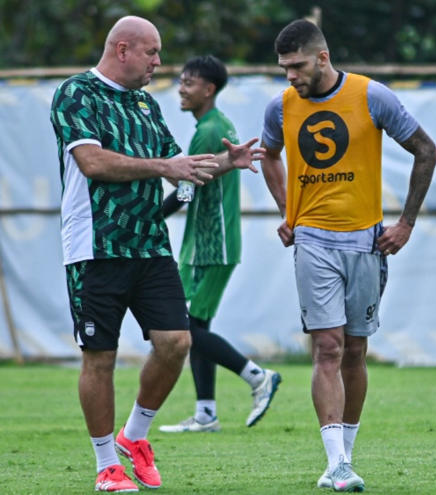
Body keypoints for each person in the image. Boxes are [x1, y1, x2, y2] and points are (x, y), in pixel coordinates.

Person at [49, 16, 264, 493]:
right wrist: (163, 166)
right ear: (122, 49)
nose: (159, 63)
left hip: (149, 245)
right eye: (152, 53)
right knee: (99, 359)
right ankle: (107, 465)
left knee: (176, 343)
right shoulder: (76, 93)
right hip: (95, 248)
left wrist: (229, 161)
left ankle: (135, 437)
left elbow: (177, 166)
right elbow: (93, 162)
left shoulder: (145, 104)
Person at [259, 20, 436, 492]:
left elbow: (426, 150)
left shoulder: (370, 96)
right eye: (283, 68)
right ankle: (336, 464)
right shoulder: (280, 107)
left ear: (321, 58)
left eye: (296, 66)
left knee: (356, 350)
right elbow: (269, 156)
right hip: (313, 242)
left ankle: (346, 457)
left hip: (366, 242)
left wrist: (406, 224)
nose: (289, 77)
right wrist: (288, 210)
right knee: (329, 347)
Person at [157, 55, 281, 434]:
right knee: (195, 325)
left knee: (184, 328)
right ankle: (206, 413)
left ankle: (257, 376)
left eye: (188, 82)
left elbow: (188, 189)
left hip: (212, 246)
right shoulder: (213, 125)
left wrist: (150, 218)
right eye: (180, 81)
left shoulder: (209, 130)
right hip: (207, 243)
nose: (181, 88)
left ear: (208, 89)